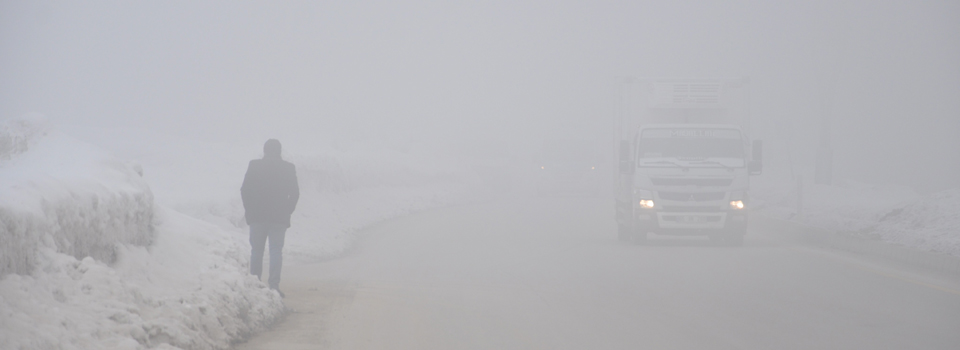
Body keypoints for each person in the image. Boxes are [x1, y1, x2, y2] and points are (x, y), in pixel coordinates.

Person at [241, 139, 299, 297]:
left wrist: (250, 211)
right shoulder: (288, 168)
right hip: (279, 217)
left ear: (264, 150)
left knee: (256, 251)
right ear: (279, 151)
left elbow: (245, 190)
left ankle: (255, 284)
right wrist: (287, 211)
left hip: (257, 216)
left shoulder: (254, 166)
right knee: (275, 251)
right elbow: (295, 193)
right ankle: (274, 286)